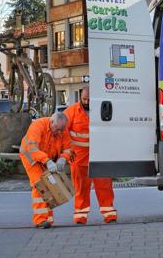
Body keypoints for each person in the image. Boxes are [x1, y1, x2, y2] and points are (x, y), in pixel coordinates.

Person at [64, 87, 117, 225]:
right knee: (80, 189)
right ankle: (80, 216)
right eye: (84, 99)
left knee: (105, 186)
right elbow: (63, 132)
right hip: (78, 158)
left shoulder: (103, 108)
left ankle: (109, 214)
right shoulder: (71, 112)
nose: (86, 102)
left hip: (100, 156)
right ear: (80, 97)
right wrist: (65, 153)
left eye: (89, 99)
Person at [19, 112, 72, 229]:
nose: (58, 132)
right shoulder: (37, 126)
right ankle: (40, 220)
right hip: (30, 157)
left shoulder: (63, 129)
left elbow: (68, 149)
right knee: (40, 185)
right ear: (51, 122)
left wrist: (63, 159)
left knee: (50, 184)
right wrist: (47, 161)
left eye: (61, 130)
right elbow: (32, 149)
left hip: (47, 159)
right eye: (56, 129)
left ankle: (48, 219)